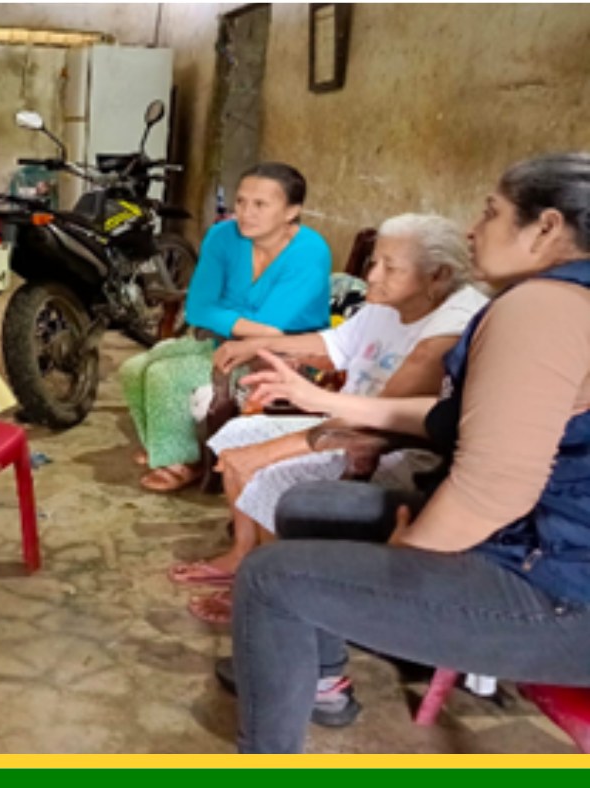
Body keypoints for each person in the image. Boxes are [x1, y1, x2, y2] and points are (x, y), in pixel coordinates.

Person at [226, 152, 590, 753]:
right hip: (543, 544)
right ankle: (321, 682)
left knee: (270, 580)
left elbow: (495, 488)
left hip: (561, 589)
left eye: (491, 212)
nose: (474, 229)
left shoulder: (542, 307)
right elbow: (463, 418)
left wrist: (412, 553)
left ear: (547, 227)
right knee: (307, 506)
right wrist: (322, 400)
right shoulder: (565, 300)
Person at [170, 214, 489, 622]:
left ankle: (274, 591)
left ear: (438, 276)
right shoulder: (389, 304)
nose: (372, 276)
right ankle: (243, 556)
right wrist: (257, 345)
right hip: (343, 422)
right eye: (374, 262)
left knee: (269, 474)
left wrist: (267, 451)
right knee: (237, 437)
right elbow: (331, 344)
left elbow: (380, 420)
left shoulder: (450, 326)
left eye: (390, 267)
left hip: (394, 447)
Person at [122, 162, 331, 492]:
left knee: (167, 375)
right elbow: (198, 307)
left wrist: (228, 317)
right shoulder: (223, 237)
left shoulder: (310, 251)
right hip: (222, 340)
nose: (246, 213)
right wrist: (248, 325)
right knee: (133, 368)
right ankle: (163, 446)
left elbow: (273, 330)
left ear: (292, 211)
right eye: (241, 202)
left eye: (260, 204)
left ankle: (182, 461)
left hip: (286, 356)